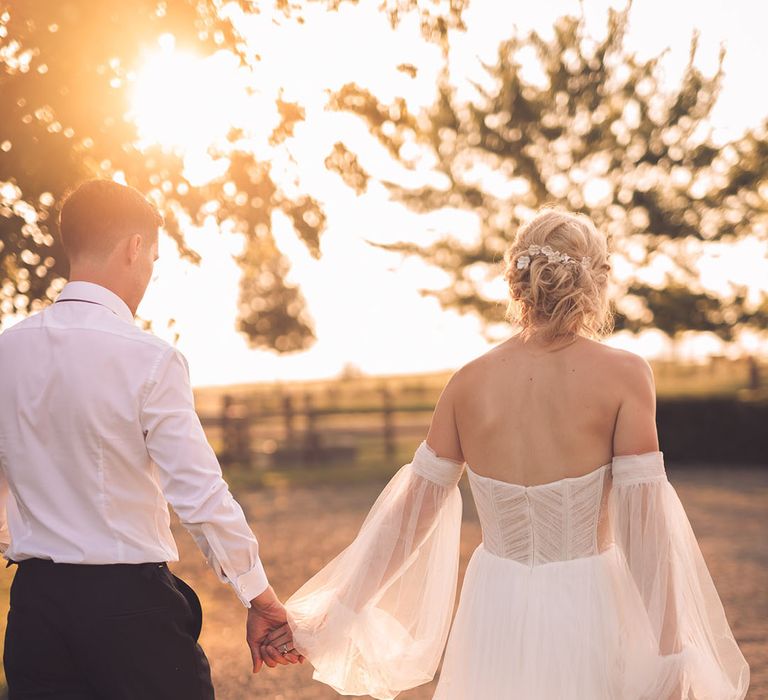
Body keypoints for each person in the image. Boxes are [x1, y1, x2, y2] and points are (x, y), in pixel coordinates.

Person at [265, 208, 750, 699]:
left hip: (494, 604)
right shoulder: (626, 375)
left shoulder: (467, 382)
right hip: (589, 602)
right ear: (595, 281)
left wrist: (335, 615)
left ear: (516, 279)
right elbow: (648, 532)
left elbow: (407, 519)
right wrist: (673, 656)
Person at [0, 179, 299, 699]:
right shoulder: (150, 359)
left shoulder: (8, 350)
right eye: (154, 261)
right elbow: (199, 494)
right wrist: (258, 596)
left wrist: (25, 544)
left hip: (34, 611)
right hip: (129, 614)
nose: (148, 275)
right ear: (135, 248)